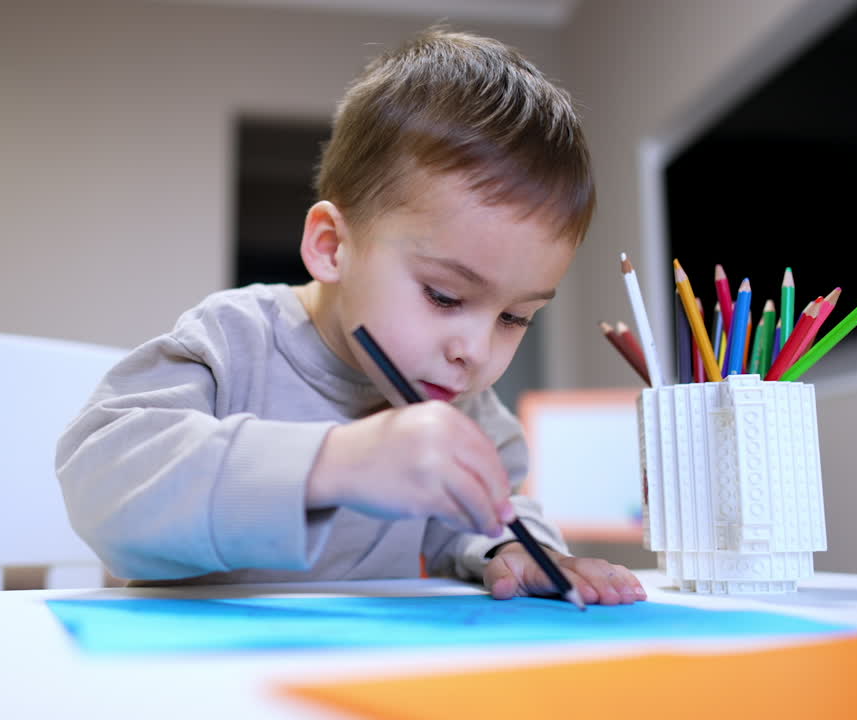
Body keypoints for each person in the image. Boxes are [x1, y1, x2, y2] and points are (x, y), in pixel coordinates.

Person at [56, 27, 646, 604]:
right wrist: (333, 463)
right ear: (333, 247)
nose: (475, 349)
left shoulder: (461, 407)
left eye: (516, 318)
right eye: (443, 295)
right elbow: (102, 486)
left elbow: (492, 513)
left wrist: (513, 551)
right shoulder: (234, 341)